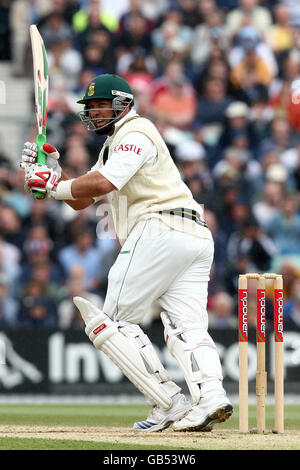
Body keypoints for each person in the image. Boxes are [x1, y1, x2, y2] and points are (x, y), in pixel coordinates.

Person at [20, 73, 233, 433]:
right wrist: (55, 173)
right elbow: (84, 199)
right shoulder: (114, 145)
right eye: (90, 107)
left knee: (114, 322)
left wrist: (53, 186)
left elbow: (103, 184)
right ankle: (211, 399)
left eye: (101, 105)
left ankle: (169, 402)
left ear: (123, 104)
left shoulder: (136, 131)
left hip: (160, 229)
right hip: (193, 236)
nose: (94, 112)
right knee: (187, 326)